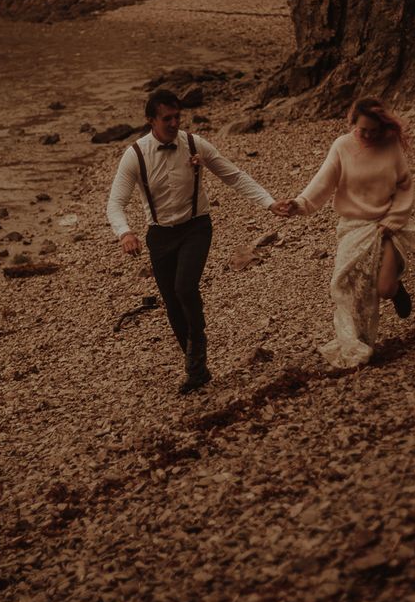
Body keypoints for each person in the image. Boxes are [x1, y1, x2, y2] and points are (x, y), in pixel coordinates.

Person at [107, 89, 289, 393]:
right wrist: (125, 232)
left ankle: (197, 345)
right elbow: (115, 202)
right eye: (167, 118)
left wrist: (269, 202)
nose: (175, 123)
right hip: (160, 235)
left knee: (185, 287)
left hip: (196, 227)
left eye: (178, 116)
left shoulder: (194, 144)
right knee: (172, 305)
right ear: (151, 120)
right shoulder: (134, 155)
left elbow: (234, 175)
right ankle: (197, 368)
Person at [276, 97, 415, 368]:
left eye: (373, 131)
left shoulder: (390, 145)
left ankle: (398, 288)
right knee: (345, 286)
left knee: (384, 289)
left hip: (385, 226)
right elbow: (323, 182)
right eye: (363, 130)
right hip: (352, 226)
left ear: (382, 127)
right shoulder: (342, 146)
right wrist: (299, 204)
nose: (367, 135)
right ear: (353, 123)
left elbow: (405, 186)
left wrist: (394, 219)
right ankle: (356, 342)